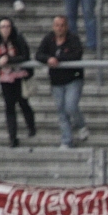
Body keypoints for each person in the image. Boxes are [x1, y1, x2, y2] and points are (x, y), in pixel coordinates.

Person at [35, 15, 88, 149]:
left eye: (62, 25)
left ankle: (81, 124)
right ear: (53, 26)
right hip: (56, 81)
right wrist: (48, 59)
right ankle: (67, 140)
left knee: (70, 106)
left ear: (67, 26)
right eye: (57, 25)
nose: (59, 28)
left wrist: (58, 59)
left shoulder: (73, 39)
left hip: (73, 79)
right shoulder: (48, 38)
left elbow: (77, 54)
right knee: (61, 111)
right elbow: (38, 54)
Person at [0, 17, 36, 148]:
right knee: (9, 106)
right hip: (5, 76)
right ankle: (13, 137)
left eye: (7, 26)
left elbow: (25, 55)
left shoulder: (18, 38)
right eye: (2, 27)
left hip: (19, 75)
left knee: (23, 102)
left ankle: (31, 126)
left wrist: (9, 59)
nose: (5, 29)